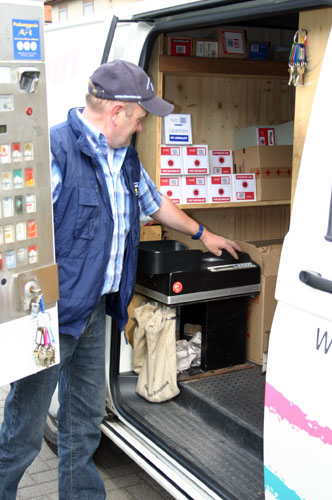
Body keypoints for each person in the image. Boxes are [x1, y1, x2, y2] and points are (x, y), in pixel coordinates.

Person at [0, 60, 240, 500]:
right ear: (115, 112)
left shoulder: (124, 158)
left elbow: (154, 202)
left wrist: (203, 235)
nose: (141, 128)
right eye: (140, 118)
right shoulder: (52, 151)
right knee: (24, 429)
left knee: (85, 418)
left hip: (96, 309)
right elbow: (13, 232)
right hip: (45, 316)